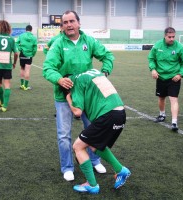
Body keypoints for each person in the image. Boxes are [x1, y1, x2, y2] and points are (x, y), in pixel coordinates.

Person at [43, 10, 114, 181]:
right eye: (65, 22)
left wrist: (105, 71)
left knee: (93, 130)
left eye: (72, 21)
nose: (69, 25)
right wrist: (59, 79)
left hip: (89, 96)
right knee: (63, 134)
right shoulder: (58, 44)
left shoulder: (89, 41)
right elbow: (47, 67)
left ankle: (95, 160)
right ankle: (67, 167)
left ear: (78, 23)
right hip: (64, 96)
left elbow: (107, 55)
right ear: (62, 27)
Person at [65, 69, 130, 194]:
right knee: (95, 145)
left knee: (78, 147)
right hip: (120, 114)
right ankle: (120, 170)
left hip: (107, 115)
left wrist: (69, 98)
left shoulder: (76, 81)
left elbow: (77, 112)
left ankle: (92, 185)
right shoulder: (93, 72)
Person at [148, 27, 183, 131]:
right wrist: (153, 69)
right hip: (161, 77)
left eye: (173, 37)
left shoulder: (179, 47)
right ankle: (162, 115)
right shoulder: (157, 45)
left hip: (174, 78)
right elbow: (151, 58)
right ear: (165, 36)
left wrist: (180, 74)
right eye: (169, 37)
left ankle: (174, 122)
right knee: (161, 98)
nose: (172, 39)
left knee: (173, 99)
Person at [15, 25, 37, 90]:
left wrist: (20, 49)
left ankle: (21, 85)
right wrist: (33, 54)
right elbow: (35, 48)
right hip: (29, 55)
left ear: (25, 29)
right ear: (31, 30)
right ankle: (25, 86)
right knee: (27, 70)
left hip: (22, 54)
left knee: (22, 68)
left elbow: (16, 43)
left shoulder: (21, 36)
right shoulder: (33, 37)